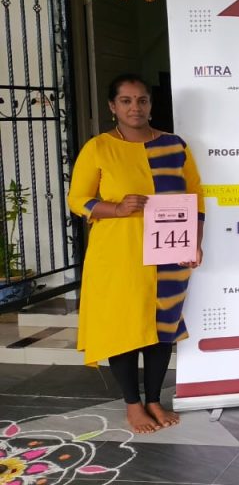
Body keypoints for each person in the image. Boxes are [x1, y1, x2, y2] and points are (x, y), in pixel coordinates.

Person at [68, 74, 204, 434]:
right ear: (112, 107)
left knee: (162, 329)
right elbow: (77, 199)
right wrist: (116, 208)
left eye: (142, 100)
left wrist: (194, 241)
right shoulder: (99, 148)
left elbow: (195, 197)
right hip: (119, 256)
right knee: (123, 329)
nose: (135, 108)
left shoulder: (175, 146)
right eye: (126, 101)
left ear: (150, 105)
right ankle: (133, 404)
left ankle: (154, 400)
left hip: (169, 253)